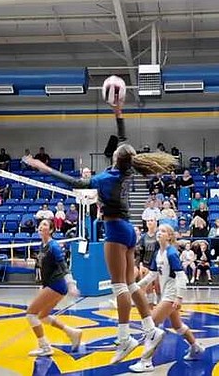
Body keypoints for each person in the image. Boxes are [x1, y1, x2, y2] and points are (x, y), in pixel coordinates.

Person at [23, 101, 174, 364]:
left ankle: (125, 337)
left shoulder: (106, 178)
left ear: (116, 157)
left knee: (119, 287)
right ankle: (150, 329)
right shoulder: (128, 168)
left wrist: (45, 169)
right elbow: (124, 141)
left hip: (115, 228)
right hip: (129, 229)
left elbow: (77, 182)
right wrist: (118, 113)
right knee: (129, 284)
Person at [129, 224, 204, 372]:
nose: (159, 233)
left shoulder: (171, 253)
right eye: (158, 231)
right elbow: (152, 274)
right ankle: (196, 347)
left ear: (169, 236)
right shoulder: (158, 252)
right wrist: (138, 285)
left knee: (151, 324)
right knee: (178, 325)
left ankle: (146, 361)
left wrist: (179, 297)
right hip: (166, 293)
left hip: (171, 295)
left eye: (163, 231)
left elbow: (181, 276)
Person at [26, 219, 84, 357]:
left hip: (57, 284)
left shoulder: (54, 246)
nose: (41, 226)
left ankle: (45, 347)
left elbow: (63, 266)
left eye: (45, 224)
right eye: (40, 224)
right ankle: (72, 332)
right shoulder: (42, 245)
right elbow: (44, 268)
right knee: (43, 316)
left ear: (51, 230)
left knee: (30, 314)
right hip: (52, 285)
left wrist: (71, 284)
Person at [136, 218, 160, 305]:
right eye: (148, 221)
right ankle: (150, 308)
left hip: (158, 265)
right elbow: (140, 252)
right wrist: (141, 264)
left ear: (156, 222)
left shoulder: (159, 235)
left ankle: (160, 305)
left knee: (158, 287)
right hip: (147, 264)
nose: (150, 222)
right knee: (148, 287)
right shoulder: (143, 237)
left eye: (151, 220)